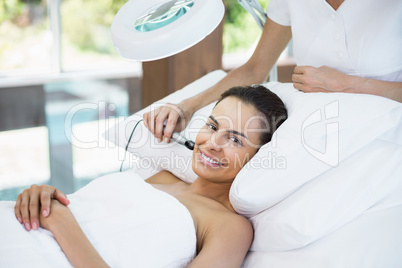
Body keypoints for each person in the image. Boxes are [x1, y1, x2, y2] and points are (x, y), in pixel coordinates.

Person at [11, 85, 288, 267]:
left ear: (259, 158)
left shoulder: (230, 227)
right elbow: (89, 212)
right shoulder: (163, 176)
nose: (213, 142)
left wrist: (59, 220)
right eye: (212, 126)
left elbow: (67, 220)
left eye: (235, 140)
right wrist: (44, 199)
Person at [143, 0, 402, 144]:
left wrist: (347, 85)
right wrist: (187, 106)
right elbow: (255, 68)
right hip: (317, 134)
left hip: (388, 138)